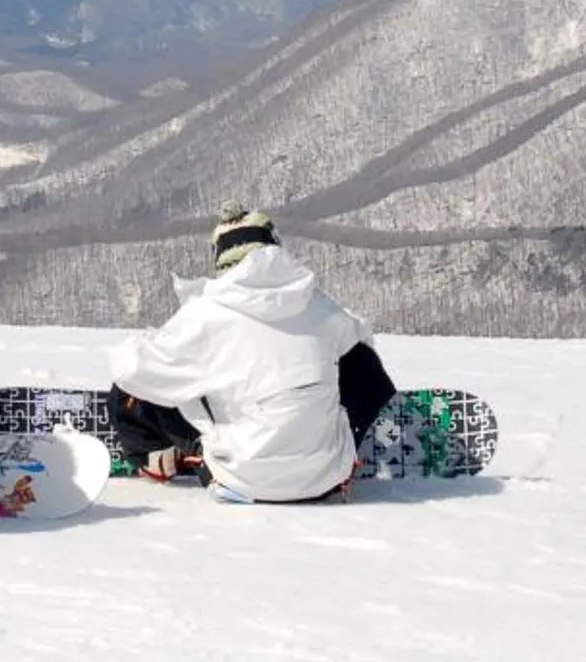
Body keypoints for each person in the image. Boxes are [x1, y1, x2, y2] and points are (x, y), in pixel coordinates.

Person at [107, 201, 396, 502]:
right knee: (358, 360)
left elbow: (130, 370)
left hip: (239, 480)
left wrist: (154, 343)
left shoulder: (206, 314)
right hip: (327, 476)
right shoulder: (319, 304)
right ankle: (329, 446)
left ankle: (155, 456)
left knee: (132, 388)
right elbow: (371, 375)